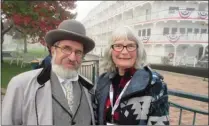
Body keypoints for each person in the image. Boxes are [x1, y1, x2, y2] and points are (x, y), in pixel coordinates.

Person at [2, 19, 96, 125]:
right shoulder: (21, 85)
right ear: (53, 50)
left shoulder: (89, 88)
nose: (72, 57)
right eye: (66, 48)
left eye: (78, 52)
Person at [92, 26, 170, 125]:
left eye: (130, 46)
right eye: (118, 46)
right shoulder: (102, 81)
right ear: (111, 51)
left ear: (138, 51)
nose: (124, 52)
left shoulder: (154, 84)